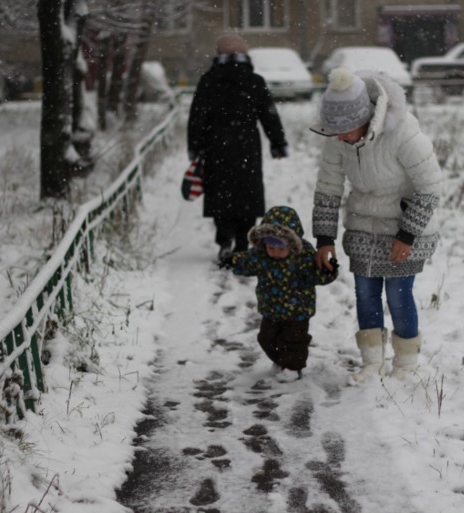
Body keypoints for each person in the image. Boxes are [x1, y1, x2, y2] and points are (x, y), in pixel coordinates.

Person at [309, 67, 443, 383]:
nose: (339, 137)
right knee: (365, 293)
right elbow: (328, 188)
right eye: (334, 130)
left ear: (366, 119)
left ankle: (406, 363)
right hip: (363, 225)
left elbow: (430, 186)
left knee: (398, 294)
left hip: (405, 225)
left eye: (345, 129)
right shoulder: (338, 139)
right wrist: (324, 239)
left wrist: (407, 235)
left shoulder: (403, 134)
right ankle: (372, 363)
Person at [188, 34, 289, 261]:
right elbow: (268, 114)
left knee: (220, 194)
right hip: (246, 147)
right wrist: (278, 142)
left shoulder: (208, 80)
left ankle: (225, 239)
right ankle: (243, 242)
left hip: (216, 147)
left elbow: (197, 116)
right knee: (247, 193)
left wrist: (194, 146)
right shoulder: (254, 81)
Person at [219, 206, 338, 381]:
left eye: (280, 248)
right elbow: (246, 261)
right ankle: (283, 361)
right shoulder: (260, 256)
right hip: (271, 309)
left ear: (291, 243)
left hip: (298, 310)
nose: (275, 253)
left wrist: (328, 272)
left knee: (294, 342)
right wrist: (232, 261)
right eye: (271, 247)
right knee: (266, 338)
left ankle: (292, 368)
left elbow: (317, 274)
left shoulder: (303, 256)